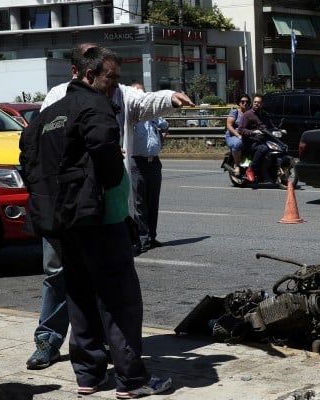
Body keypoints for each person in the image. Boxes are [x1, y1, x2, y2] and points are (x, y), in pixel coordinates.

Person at [26, 43, 194, 371]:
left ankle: (95, 356)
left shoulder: (117, 97)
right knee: (62, 275)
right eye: (111, 77)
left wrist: (170, 96)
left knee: (100, 282)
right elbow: (45, 147)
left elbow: (143, 102)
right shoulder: (59, 98)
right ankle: (50, 339)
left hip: (105, 210)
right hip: (67, 207)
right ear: (84, 71)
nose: (116, 84)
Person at [130, 82, 169, 254]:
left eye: (143, 93)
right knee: (140, 202)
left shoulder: (152, 114)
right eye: (138, 93)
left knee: (153, 201)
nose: (141, 96)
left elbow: (165, 125)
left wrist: (163, 134)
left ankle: (152, 237)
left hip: (154, 161)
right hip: (137, 162)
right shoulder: (131, 115)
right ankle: (142, 238)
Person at [238, 93, 277, 183]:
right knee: (263, 148)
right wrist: (252, 132)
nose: (256, 104)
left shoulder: (264, 114)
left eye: (258, 102)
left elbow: (271, 126)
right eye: (255, 102)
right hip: (250, 142)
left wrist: (279, 130)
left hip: (263, 140)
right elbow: (241, 129)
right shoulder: (247, 114)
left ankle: (270, 172)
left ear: (262, 104)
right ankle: (250, 169)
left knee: (276, 147)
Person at [225, 94, 251, 176]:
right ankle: (237, 165)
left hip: (246, 134)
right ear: (239, 103)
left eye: (247, 102)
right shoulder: (235, 112)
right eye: (242, 101)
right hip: (233, 135)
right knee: (238, 144)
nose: (245, 103)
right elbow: (229, 125)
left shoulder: (251, 112)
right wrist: (238, 135)